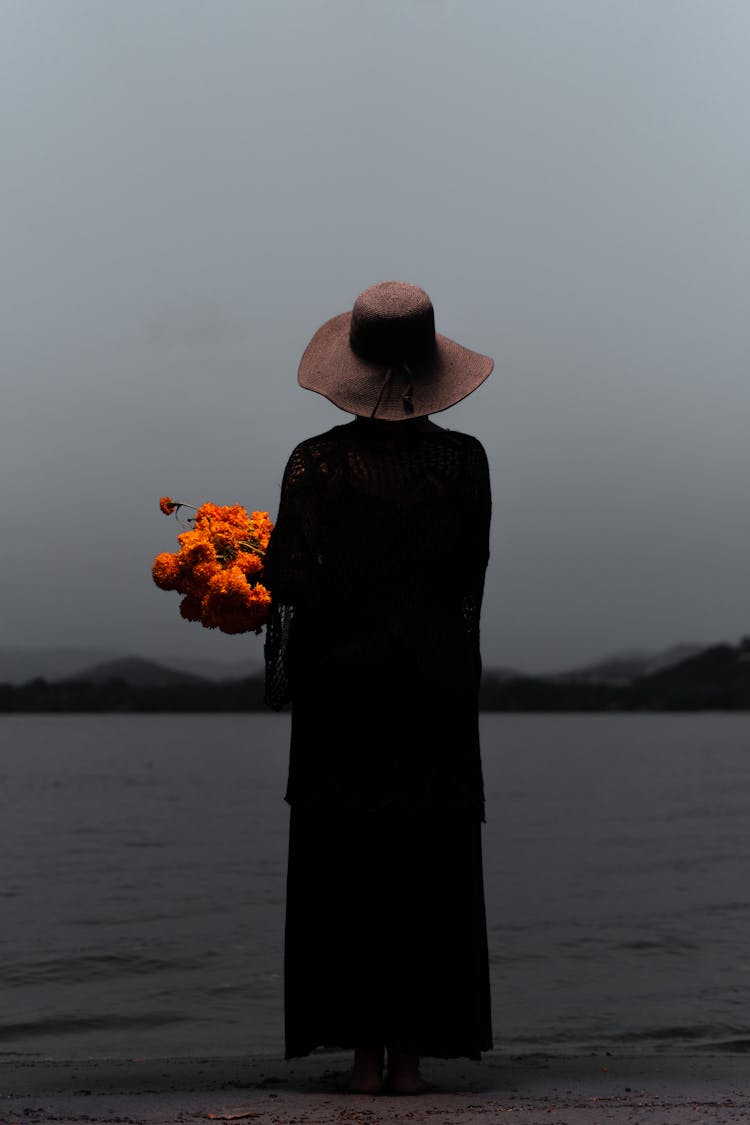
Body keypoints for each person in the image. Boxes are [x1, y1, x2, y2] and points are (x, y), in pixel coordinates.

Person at [263, 280, 493, 1095]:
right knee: (428, 871)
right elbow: (467, 587)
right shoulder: (462, 460)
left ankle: (362, 1059)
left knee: (347, 871)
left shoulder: (315, 463)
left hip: (344, 697)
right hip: (430, 693)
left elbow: (291, 583)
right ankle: (410, 1059)